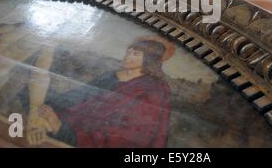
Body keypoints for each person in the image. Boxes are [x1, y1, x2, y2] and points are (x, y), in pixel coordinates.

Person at [28, 36, 174, 148]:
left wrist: (61, 128)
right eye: (128, 53)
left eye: (135, 54)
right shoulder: (111, 76)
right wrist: (46, 113)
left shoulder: (154, 89)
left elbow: (134, 132)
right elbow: (78, 96)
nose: (127, 57)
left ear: (149, 59)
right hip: (73, 126)